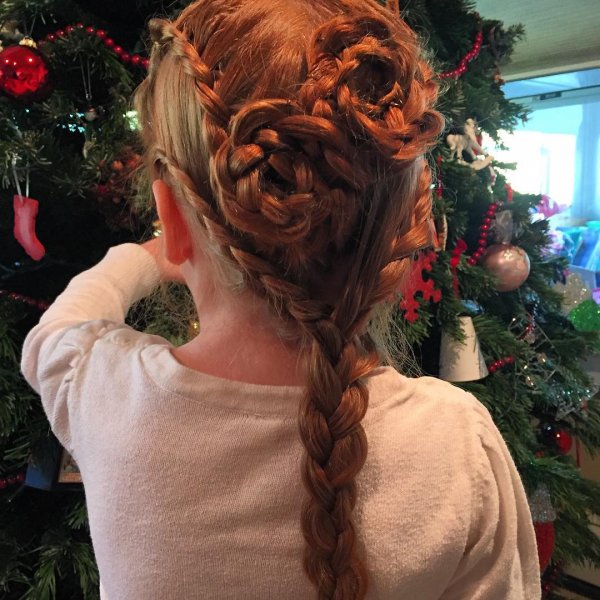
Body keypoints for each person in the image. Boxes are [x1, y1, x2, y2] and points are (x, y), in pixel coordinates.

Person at [21, 0, 541, 598]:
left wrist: (143, 256)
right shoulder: (456, 446)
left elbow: (59, 329)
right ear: (402, 226)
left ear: (172, 216)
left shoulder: (106, 393)